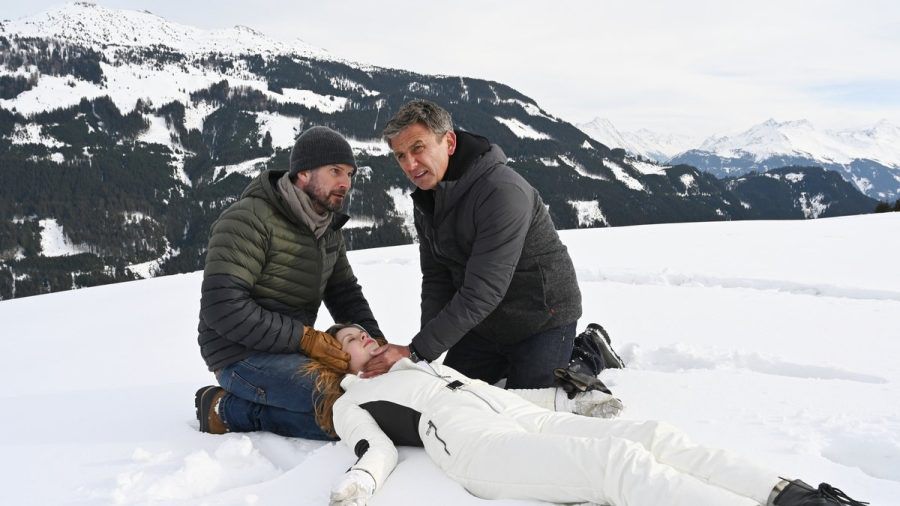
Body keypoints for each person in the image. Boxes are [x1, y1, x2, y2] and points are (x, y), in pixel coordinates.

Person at [322, 324, 868, 506]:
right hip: (474, 449)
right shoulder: (353, 399)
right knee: (615, 459)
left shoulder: (420, 362)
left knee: (652, 433)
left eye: (363, 329)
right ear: (337, 358)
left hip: (522, 419)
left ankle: (789, 494)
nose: (364, 337)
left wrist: (570, 399)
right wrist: (358, 487)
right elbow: (376, 449)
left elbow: (495, 395)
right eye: (350, 339)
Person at [362, 99, 582, 389]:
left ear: (449, 142)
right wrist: (424, 350)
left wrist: (416, 350)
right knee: (450, 396)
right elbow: (437, 277)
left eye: (418, 148)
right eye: (400, 155)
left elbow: (483, 290)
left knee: (523, 408)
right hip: (486, 325)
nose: (410, 165)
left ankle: (587, 352)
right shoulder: (428, 198)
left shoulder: (501, 191)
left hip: (541, 318)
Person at [194, 126, 385, 440]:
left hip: (288, 349)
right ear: (304, 173)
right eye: (335, 171)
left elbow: (344, 293)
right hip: (238, 355)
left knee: (373, 384)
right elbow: (223, 308)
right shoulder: (247, 219)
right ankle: (224, 410)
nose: (345, 183)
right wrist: (306, 339)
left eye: (350, 174)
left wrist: (378, 344)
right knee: (347, 405)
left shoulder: (326, 227)